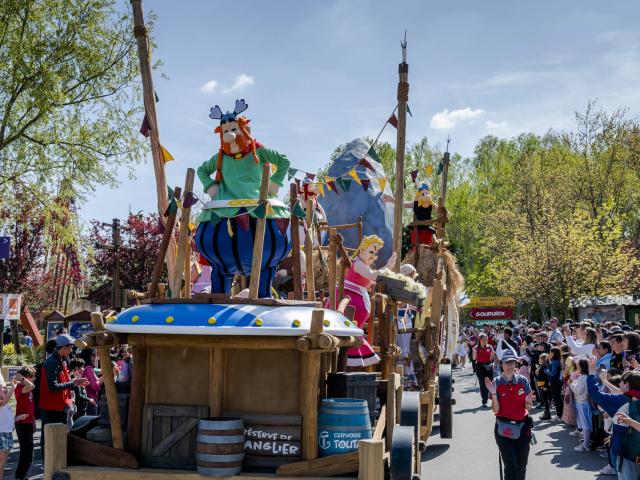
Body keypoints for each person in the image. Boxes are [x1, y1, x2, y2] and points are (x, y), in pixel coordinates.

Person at [485, 348, 535, 480]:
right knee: (511, 466)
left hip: (523, 428)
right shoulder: (496, 382)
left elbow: (527, 407)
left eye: (512, 363)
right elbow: (495, 410)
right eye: (507, 363)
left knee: (521, 465)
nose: (509, 366)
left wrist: (528, 402)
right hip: (504, 429)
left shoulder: (523, 381)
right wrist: (494, 393)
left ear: (516, 364)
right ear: (501, 364)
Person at [587, 360, 640, 480]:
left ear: (628, 385)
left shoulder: (620, 401)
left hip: (626, 451)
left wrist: (591, 375)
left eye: (621, 382)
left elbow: (595, 394)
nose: (619, 384)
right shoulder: (634, 399)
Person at [40, 334, 89, 456]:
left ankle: (54, 466)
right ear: (64, 348)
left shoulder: (60, 360)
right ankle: (49, 467)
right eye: (71, 347)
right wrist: (73, 383)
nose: (72, 350)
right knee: (50, 441)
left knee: (58, 440)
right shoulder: (52, 362)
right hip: (52, 409)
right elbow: (53, 387)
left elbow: (61, 383)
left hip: (59, 407)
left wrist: (74, 382)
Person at [13, 366, 35, 480]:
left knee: (28, 453)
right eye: (32, 376)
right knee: (26, 453)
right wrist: (21, 378)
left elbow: (30, 406)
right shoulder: (20, 388)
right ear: (25, 377)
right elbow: (31, 386)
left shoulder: (27, 388)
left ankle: (21, 475)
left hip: (28, 422)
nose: (34, 378)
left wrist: (33, 421)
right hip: (22, 423)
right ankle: (20, 476)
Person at [570, 359, 592, 452]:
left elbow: (578, 391)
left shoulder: (582, 377)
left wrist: (572, 383)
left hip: (581, 403)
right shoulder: (584, 377)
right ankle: (585, 443)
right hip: (583, 402)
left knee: (585, 425)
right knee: (585, 424)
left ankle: (586, 445)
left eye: (578, 365)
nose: (577, 367)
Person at [473, 333, 495, 408]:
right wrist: (475, 352)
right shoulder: (476, 347)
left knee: (491, 383)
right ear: (480, 340)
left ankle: (492, 398)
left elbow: (492, 358)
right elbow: (474, 358)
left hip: (489, 365)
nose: (485, 340)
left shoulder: (490, 347)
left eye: (486, 339)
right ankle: (484, 401)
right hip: (480, 366)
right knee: (483, 384)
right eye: (483, 339)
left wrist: (492, 354)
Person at [79, 348, 102, 414]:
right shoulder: (89, 369)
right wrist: (106, 376)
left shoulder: (84, 369)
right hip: (91, 401)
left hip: (85, 401)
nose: (96, 358)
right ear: (88, 356)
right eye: (93, 355)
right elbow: (95, 386)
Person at [0, 374, 14, 480]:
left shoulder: (6, 405)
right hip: (1, 434)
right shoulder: (2, 402)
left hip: (8, 434)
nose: (4, 389)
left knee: (3, 464)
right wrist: (12, 387)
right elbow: (4, 401)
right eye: (2, 388)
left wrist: (18, 418)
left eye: (5, 388)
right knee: (1, 462)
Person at [544, 346, 564, 421]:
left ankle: (559, 415)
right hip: (556, 381)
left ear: (554, 353)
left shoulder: (555, 362)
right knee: (557, 399)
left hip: (555, 382)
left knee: (557, 399)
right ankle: (560, 415)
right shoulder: (557, 361)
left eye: (551, 352)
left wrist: (546, 370)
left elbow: (553, 373)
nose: (550, 354)